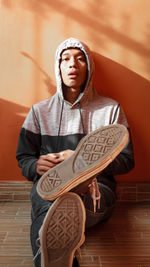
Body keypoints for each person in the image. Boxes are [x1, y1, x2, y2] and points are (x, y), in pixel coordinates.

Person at [16, 38, 134, 267]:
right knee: (50, 205)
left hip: (97, 188)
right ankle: (55, 259)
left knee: (63, 207)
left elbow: (127, 160)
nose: (73, 64)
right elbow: (24, 158)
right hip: (49, 185)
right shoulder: (39, 111)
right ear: (57, 67)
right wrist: (35, 165)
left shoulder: (110, 110)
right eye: (66, 59)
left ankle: (58, 228)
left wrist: (83, 163)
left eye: (80, 59)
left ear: (88, 67)